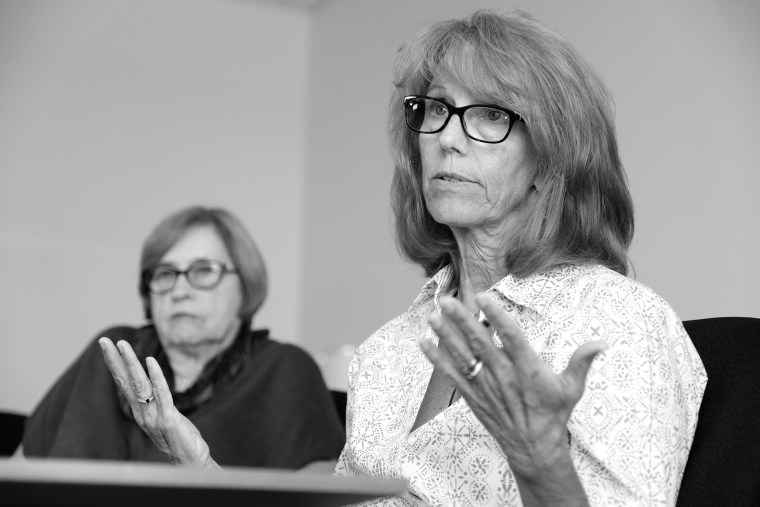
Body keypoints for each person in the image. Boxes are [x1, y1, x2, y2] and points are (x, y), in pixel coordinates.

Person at [97, 9, 707, 506]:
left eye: (490, 114)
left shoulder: (621, 324)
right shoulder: (389, 350)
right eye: (435, 109)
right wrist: (197, 463)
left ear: (553, 158)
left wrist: (539, 462)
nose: (446, 136)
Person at [23, 206, 345, 469]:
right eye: (165, 274)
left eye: (203, 271)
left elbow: (320, 494)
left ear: (246, 284)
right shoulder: (112, 353)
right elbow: (19, 470)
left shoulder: (284, 369)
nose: (179, 290)